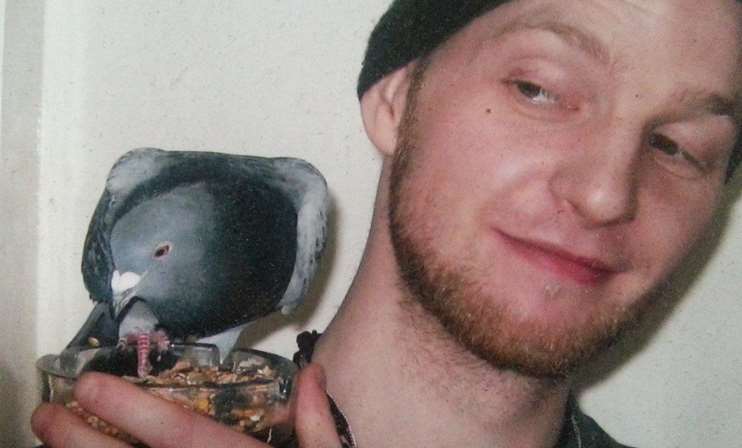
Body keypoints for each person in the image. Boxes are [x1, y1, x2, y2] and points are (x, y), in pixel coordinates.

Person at [31, 0, 741, 447]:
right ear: (396, 102)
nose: (605, 194)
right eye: (539, 89)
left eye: (678, 147)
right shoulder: (110, 433)